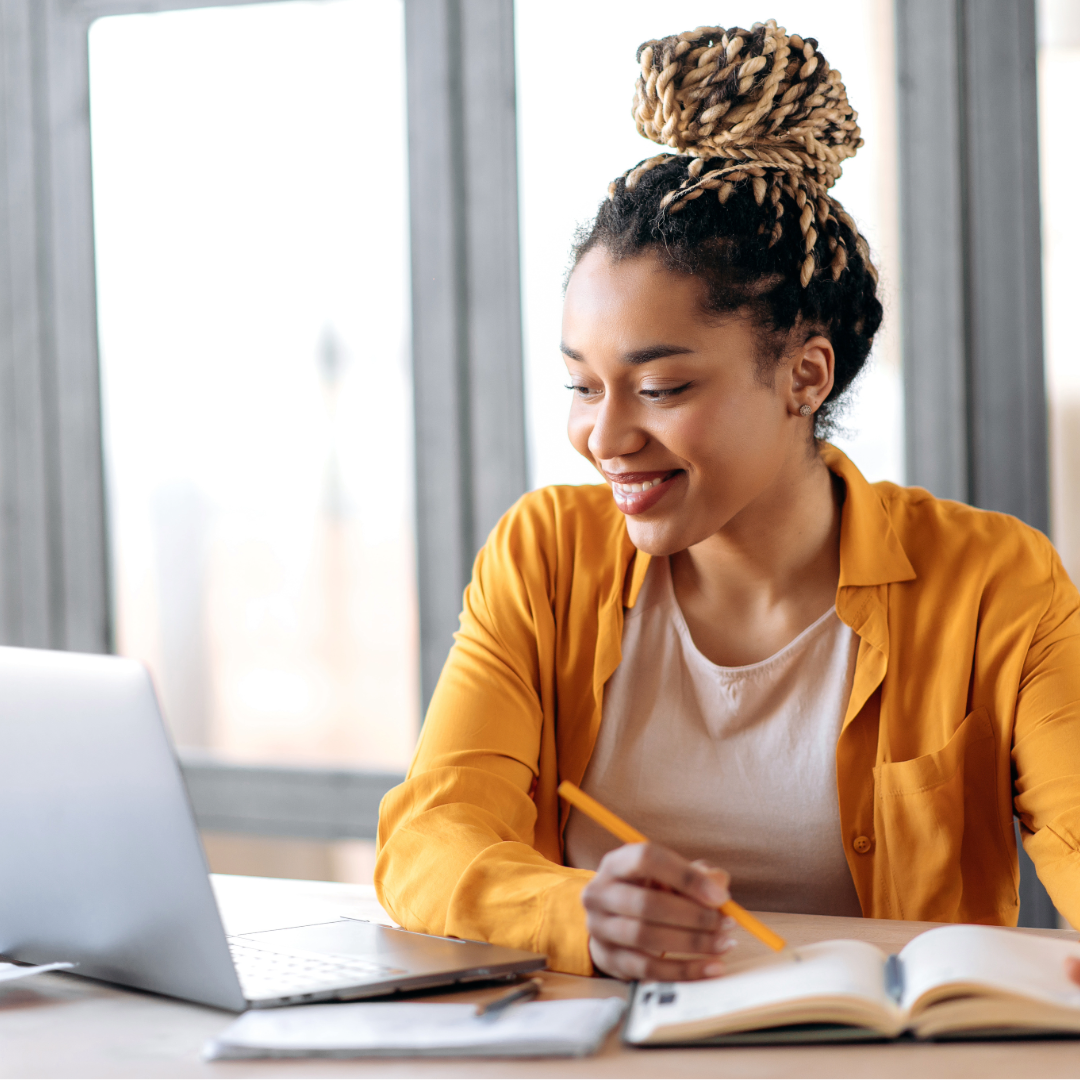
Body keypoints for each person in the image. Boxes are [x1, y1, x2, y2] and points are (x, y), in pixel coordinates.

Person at [376, 19, 1080, 983]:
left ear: (804, 375)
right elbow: (431, 835)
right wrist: (572, 910)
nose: (607, 436)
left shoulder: (993, 581)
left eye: (661, 389)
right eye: (583, 385)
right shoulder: (541, 555)